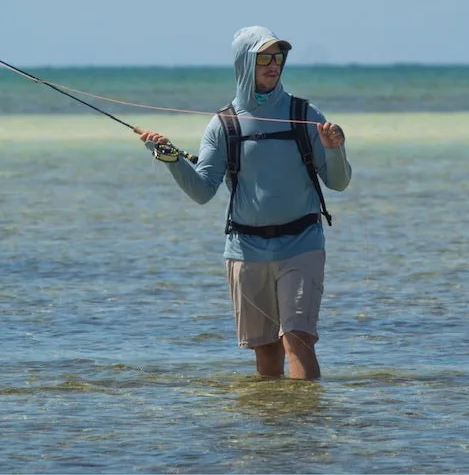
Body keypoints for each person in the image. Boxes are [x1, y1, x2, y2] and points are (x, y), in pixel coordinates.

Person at [138, 26, 351, 379]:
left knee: (297, 340)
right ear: (244, 63)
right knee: (266, 352)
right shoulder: (222, 124)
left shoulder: (306, 113)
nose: (273, 65)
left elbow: (339, 183)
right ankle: (270, 428)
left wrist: (335, 149)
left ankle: (305, 427)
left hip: (303, 244)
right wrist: (171, 159)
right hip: (245, 249)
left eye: (278, 57)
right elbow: (203, 190)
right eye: (264, 57)